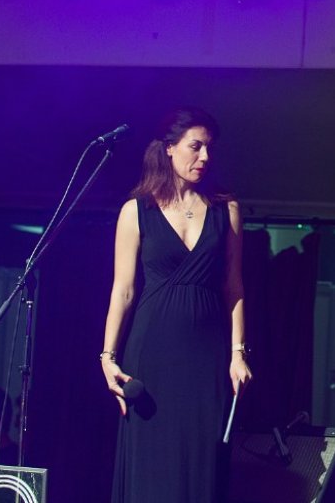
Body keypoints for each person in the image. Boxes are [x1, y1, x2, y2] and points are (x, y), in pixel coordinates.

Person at [102, 107, 252, 503]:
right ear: (169, 148)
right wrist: (107, 357)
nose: (205, 157)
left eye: (210, 149)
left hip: (206, 356)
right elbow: (123, 290)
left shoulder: (226, 209)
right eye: (195, 147)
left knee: (202, 464)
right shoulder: (136, 211)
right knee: (151, 464)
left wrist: (238, 353)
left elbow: (234, 286)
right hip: (151, 354)